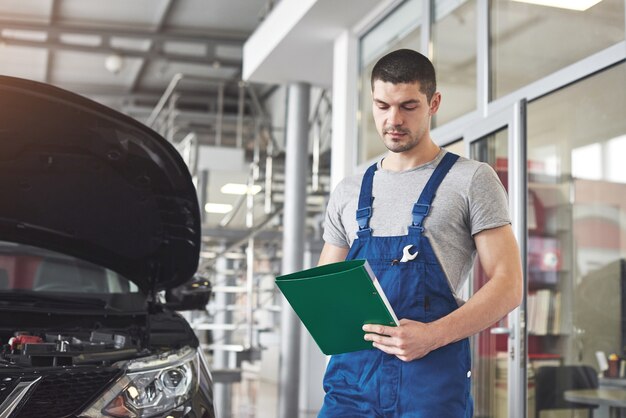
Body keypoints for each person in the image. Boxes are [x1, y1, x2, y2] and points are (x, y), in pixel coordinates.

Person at [317, 49, 523, 417]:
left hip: (430, 384)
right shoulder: (349, 190)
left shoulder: (472, 179)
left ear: (434, 103)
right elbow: (324, 285)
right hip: (351, 384)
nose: (393, 120)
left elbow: (509, 285)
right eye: (382, 106)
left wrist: (432, 335)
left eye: (408, 106)